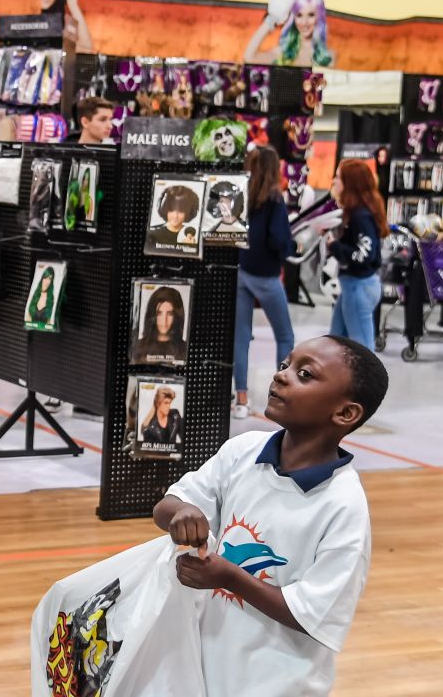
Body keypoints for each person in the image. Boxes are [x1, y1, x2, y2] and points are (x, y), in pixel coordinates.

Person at [153, 335, 387, 695]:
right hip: (204, 668)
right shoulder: (243, 450)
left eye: (305, 374)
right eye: (284, 365)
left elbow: (312, 616)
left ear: (345, 413)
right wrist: (183, 511)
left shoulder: (343, 505)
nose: (281, 376)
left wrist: (228, 576)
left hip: (276, 683)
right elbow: (167, 507)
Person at [233, 146, 295, 419]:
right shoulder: (274, 200)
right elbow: (279, 240)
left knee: (241, 338)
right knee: (285, 336)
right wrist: (294, 244)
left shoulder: (239, 195)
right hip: (267, 276)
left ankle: (241, 400)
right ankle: (282, 395)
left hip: (240, 271)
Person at [327, 160, 385, 349]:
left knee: (363, 350)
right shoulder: (359, 212)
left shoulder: (360, 215)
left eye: (338, 177)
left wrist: (335, 246)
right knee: (335, 343)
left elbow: (364, 255)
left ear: (349, 183)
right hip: (354, 286)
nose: (333, 181)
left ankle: (368, 381)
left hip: (358, 286)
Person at [245, 0, 335, 68]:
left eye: (311, 15)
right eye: (299, 15)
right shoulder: (283, 52)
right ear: (293, 19)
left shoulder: (327, 57)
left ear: (319, 17)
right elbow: (249, 58)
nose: (304, 22)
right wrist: (272, 18)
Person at [133, 286, 188, 364]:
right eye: (159, 313)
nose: (164, 320)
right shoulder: (138, 347)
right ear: (152, 315)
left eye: (170, 314)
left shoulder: (185, 349)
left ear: (177, 317)